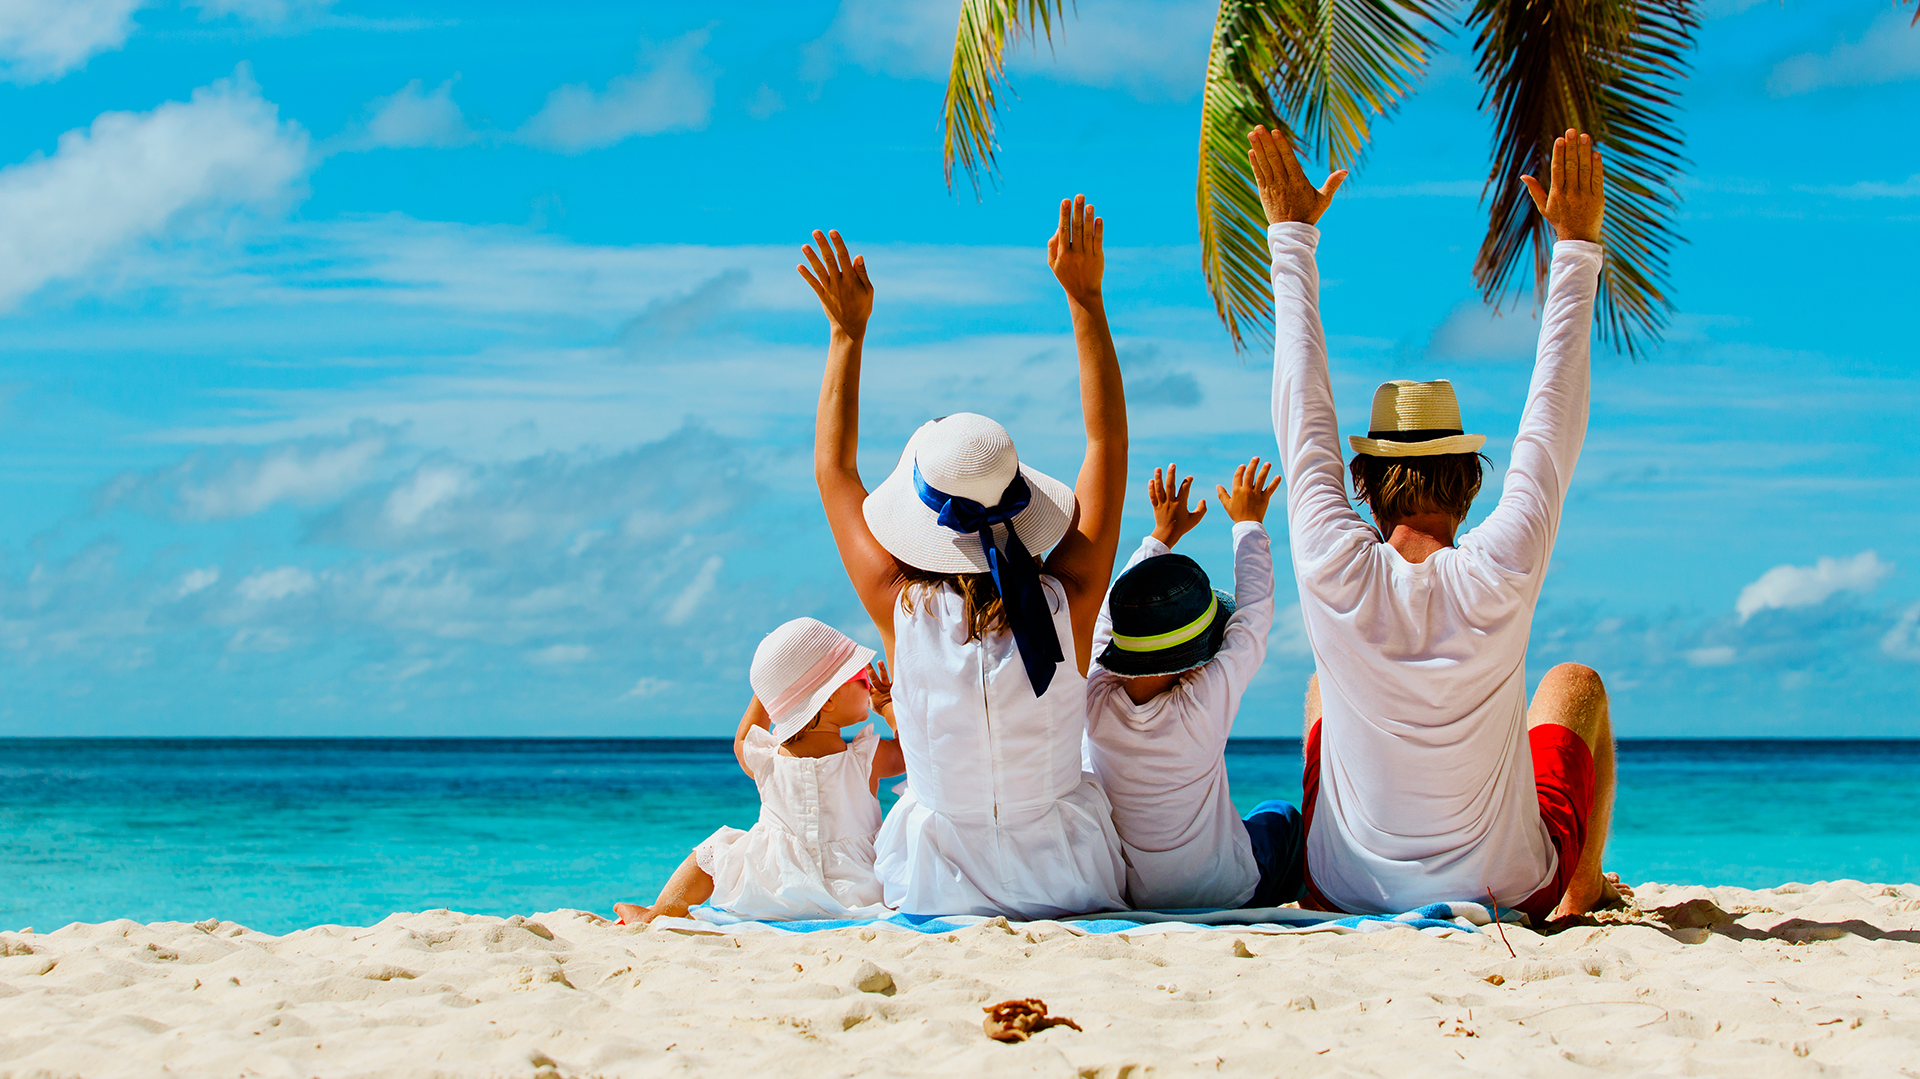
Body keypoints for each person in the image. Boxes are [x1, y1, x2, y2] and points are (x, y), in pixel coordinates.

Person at [1256, 123, 1624, 924]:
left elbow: (1304, 417)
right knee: (1573, 687)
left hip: (1340, 890)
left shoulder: (1330, 559)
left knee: (1324, 685)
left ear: (1363, 483)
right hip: (1508, 885)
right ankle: (1584, 881)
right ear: (1469, 480)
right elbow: (1550, 423)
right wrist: (1575, 253)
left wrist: (1292, 237)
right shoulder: (1500, 562)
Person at [795, 196, 1129, 919]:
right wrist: (1086, 301)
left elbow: (833, 471)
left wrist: (845, 335)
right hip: (1068, 876)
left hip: (937, 882)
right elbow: (1106, 447)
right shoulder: (1068, 596)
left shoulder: (896, 602)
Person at [1085, 456, 1306, 910]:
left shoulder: (1094, 698)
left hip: (1137, 895)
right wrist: (1248, 524)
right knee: (1280, 817)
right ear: (1194, 660)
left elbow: (1110, 616)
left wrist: (1159, 537)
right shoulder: (1201, 704)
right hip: (1227, 890)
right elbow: (1255, 618)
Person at [612, 617, 904, 924]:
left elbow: (743, 739)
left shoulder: (767, 759)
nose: (869, 684)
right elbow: (912, 752)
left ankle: (657, 913)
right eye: (859, 676)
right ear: (828, 699)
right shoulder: (866, 757)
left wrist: (771, 692)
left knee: (714, 850)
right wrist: (886, 705)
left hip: (773, 885)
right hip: (856, 887)